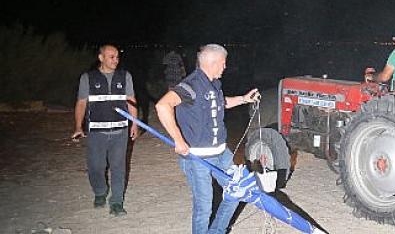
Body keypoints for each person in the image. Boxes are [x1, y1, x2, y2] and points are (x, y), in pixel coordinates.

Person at [155, 44, 259, 234]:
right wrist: (178, 140)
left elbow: (220, 103)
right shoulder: (190, 85)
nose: (225, 67)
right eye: (223, 63)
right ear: (213, 63)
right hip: (197, 157)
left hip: (221, 153)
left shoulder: (214, 84)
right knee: (204, 207)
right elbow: (163, 105)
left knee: (236, 191)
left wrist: (244, 99)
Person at [71, 44, 139, 217]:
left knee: (118, 167)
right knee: (96, 167)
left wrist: (134, 123)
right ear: (101, 58)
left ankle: (116, 202)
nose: (116, 60)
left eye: (117, 57)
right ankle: (100, 191)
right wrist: (78, 126)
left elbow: (131, 100)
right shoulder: (88, 78)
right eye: (111, 57)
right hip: (96, 132)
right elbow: (81, 103)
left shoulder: (125, 76)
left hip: (120, 131)